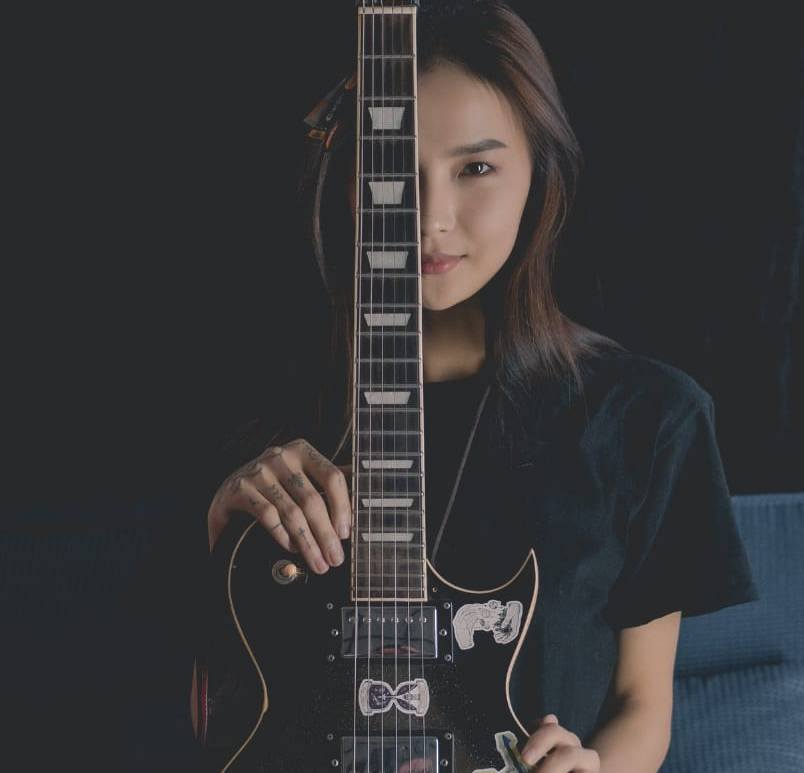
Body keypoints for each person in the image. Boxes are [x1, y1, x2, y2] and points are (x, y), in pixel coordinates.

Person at [192, 2, 759, 771]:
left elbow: (641, 705)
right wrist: (223, 533)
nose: (431, 218)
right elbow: (215, 720)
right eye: (392, 171)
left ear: (538, 173)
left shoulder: (649, 417)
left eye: (476, 168)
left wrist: (592, 767)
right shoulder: (265, 411)